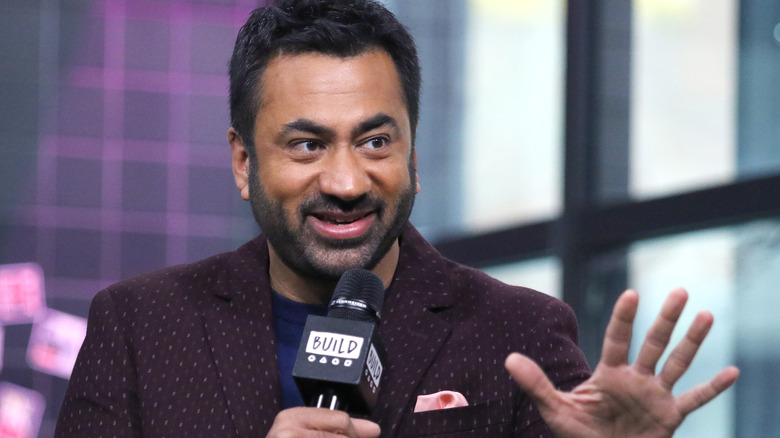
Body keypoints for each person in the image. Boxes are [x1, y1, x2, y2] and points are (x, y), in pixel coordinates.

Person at [55, 0, 739, 437]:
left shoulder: (518, 330)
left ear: (413, 155)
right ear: (242, 162)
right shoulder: (141, 326)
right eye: (306, 144)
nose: (348, 181)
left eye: (376, 141)